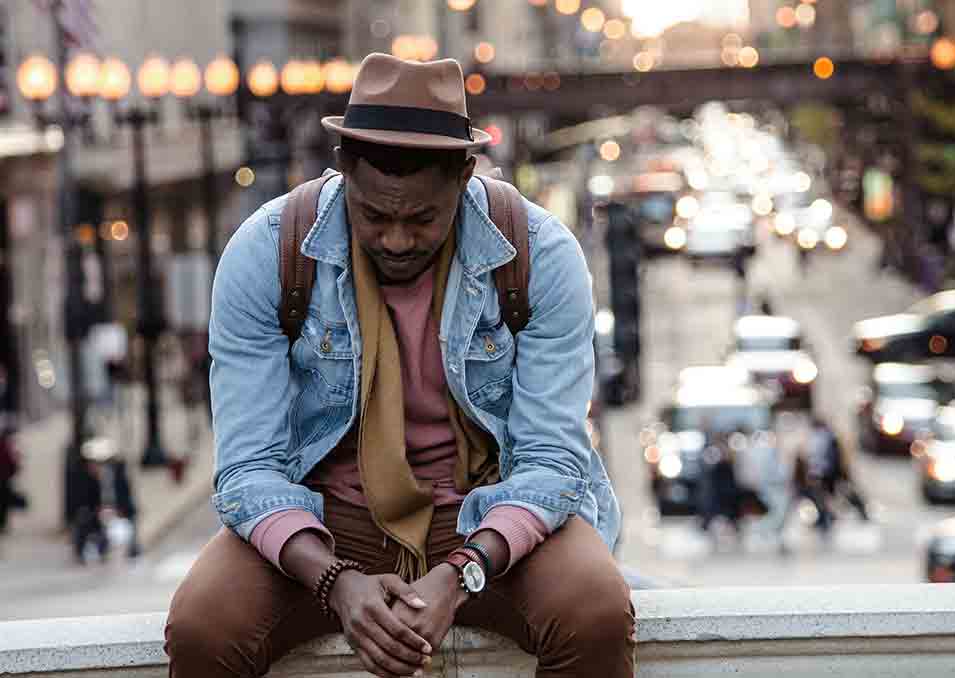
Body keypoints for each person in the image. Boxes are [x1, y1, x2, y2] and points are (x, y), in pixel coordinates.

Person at [165, 55, 632, 678]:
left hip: (487, 510)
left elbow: (551, 462)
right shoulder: (267, 251)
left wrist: (464, 572)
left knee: (594, 611)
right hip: (324, 519)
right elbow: (248, 468)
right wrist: (335, 582)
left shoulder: (538, 254)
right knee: (204, 627)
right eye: (374, 216)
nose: (396, 240)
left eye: (421, 220)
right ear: (343, 168)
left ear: (465, 177)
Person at [805, 418, 870, 527]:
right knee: (827, 496)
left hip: (829, 472)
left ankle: (827, 517)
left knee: (834, 494)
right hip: (829, 472)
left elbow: (828, 458)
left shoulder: (824, 438)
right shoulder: (825, 437)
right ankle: (826, 517)